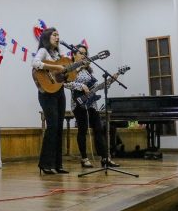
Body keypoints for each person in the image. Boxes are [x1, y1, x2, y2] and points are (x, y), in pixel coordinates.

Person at [64, 45, 120, 168]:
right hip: (78, 103)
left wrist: (110, 81)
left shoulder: (88, 70)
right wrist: (79, 86)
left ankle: (105, 157)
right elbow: (65, 83)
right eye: (80, 53)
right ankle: (84, 158)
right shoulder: (71, 69)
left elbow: (96, 87)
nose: (83, 55)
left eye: (85, 53)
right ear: (74, 55)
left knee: (99, 129)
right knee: (82, 130)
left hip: (92, 104)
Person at [32, 28, 68, 175]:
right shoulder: (43, 51)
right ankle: (45, 164)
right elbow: (35, 63)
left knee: (59, 127)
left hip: (59, 92)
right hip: (46, 93)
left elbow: (64, 78)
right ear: (47, 37)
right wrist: (55, 66)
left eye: (58, 34)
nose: (57, 37)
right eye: (54, 34)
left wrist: (70, 71)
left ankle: (57, 164)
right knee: (52, 126)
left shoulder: (60, 55)